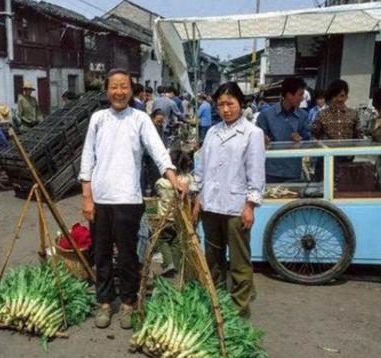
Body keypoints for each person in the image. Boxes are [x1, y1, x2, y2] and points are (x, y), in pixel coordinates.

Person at [79, 68, 185, 330]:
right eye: (114, 86)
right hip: (101, 200)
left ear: (131, 89)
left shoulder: (140, 119)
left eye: (123, 86)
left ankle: (127, 303)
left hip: (128, 199)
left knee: (128, 256)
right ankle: (104, 302)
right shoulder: (98, 119)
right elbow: (87, 158)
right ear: (107, 90)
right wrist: (87, 197)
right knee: (101, 255)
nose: (119, 91)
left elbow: (157, 150)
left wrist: (173, 177)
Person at [193, 82, 265, 318]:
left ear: (240, 103)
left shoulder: (252, 133)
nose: (225, 109)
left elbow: (256, 172)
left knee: (239, 260)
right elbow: (201, 169)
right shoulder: (213, 132)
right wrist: (197, 198)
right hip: (211, 205)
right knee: (213, 258)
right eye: (221, 104)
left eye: (230, 103)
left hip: (236, 207)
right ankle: (217, 301)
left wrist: (250, 205)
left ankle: (239, 308)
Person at [257, 77, 311, 183]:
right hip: (270, 171)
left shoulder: (303, 116)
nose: (302, 99)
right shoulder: (266, 115)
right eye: (300, 95)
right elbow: (256, 139)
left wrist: (300, 140)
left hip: (293, 171)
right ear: (288, 95)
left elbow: (308, 140)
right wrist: (263, 139)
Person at [155, 149, 196, 275]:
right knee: (177, 242)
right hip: (180, 218)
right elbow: (193, 190)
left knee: (162, 240)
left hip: (165, 218)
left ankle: (169, 263)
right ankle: (176, 266)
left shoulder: (161, 183)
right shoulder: (187, 180)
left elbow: (157, 192)